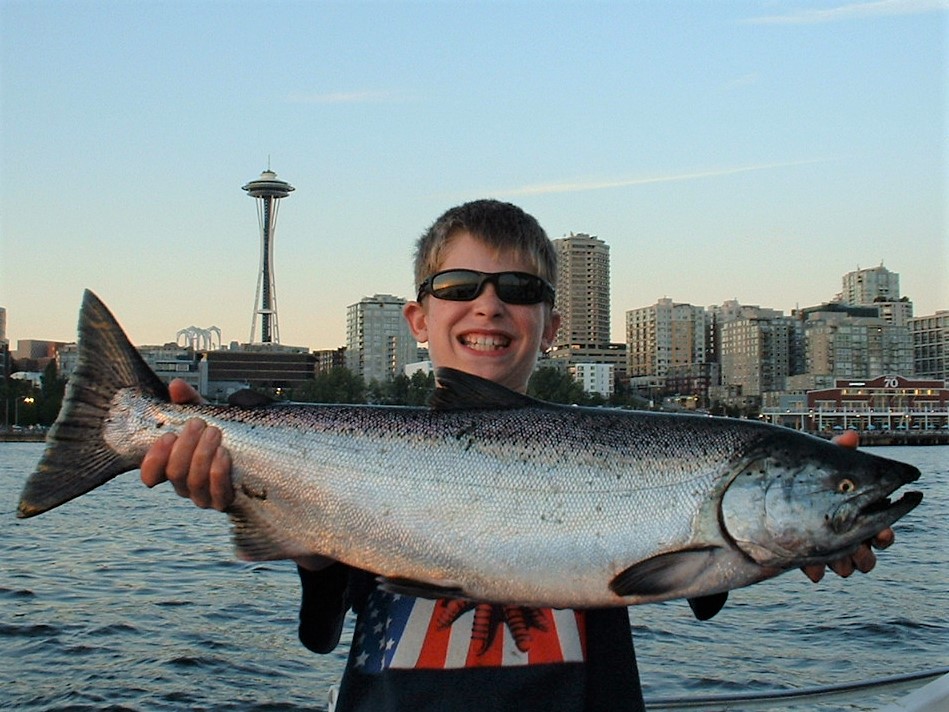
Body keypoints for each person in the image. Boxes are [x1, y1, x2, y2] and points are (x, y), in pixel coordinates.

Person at [140, 199, 894, 710]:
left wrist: (814, 526)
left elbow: (695, 576)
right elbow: (322, 628)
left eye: (518, 288)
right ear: (418, 318)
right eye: (459, 285)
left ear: (551, 324)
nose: (488, 304)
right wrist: (263, 503)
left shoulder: (639, 446)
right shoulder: (359, 452)